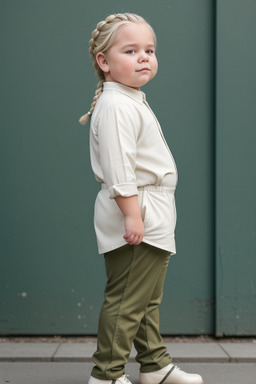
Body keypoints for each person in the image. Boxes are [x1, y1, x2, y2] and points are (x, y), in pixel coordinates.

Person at [79, 13, 203, 384]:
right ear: (104, 61)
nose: (144, 57)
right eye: (131, 50)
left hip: (153, 208)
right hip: (138, 210)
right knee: (127, 301)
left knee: (145, 298)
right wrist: (133, 216)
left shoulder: (130, 99)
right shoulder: (116, 105)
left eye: (149, 50)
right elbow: (120, 169)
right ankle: (106, 374)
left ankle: (155, 365)